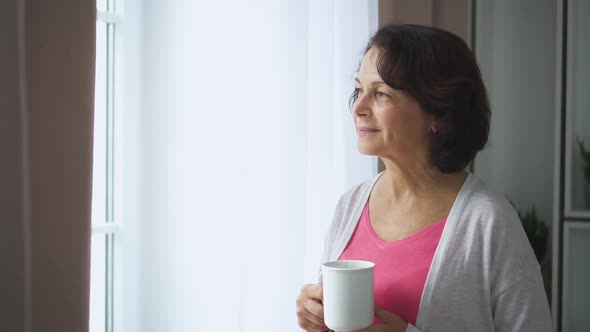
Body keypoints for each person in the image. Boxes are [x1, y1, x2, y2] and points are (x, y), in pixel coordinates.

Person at [295, 24, 552, 332]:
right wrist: (313, 313)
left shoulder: (488, 220)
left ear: (437, 114)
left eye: (381, 94)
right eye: (358, 90)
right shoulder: (349, 206)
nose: (359, 108)